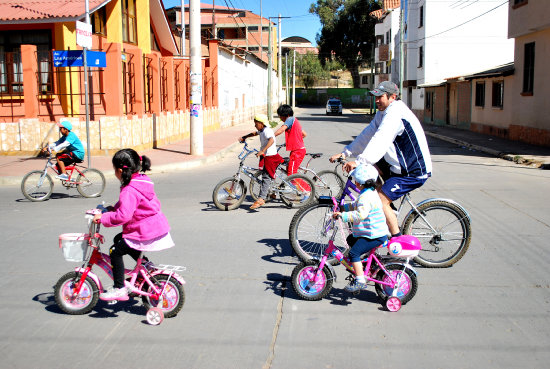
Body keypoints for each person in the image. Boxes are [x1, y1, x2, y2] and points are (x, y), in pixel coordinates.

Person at [330, 81, 432, 240]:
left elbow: (381, 139)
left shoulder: (395, 113)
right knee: (369, 177)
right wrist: (346, 153)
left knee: (379, 200)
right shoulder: (383, 113)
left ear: (393, 96)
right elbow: (367, 134)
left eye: (380, 96)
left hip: (412, 170)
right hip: (396, 164)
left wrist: (359, 161)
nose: (376, 100)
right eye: (375, 96)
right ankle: (383, 215)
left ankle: (397, 241)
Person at [93, 148, 174, 301]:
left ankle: (119, 288)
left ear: (119, 170)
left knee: (115, 251)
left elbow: (124, 215)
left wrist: (103, 218)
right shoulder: (141, 180)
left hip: (144, 231)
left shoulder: (129, 189)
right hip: (154, 227)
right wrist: (112, 209)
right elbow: (129, 205)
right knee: (120, 239)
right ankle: (145, 265)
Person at [332, 164, 388, 292]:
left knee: (353, 253)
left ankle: (360, 280)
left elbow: (360, 214)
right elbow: (355, 205)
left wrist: (343, 215)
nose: (354, 182)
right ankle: (366, 264)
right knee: (351, 239)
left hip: (374, 235)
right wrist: (343, 207)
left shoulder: (365, 197)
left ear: (360, 183)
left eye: (355, 180)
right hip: (372, 231)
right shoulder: (369, 193)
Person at [238, 114, 283, 210]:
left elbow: (271, 140)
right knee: (267, 174)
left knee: (266, 177)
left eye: (256, 123)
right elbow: (255, 133)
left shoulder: (267, 131)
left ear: (262, 124)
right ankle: (272, 193)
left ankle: (261, 198)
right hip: (266, 156)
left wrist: (263, 150)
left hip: (270, 156)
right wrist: (244, 137)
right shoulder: (262, 130)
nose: (255, 125)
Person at [274, 104, 307, 176]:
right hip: (298, 149)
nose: (280, 118)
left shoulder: (290, 119)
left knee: (292, 174)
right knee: (289, 169)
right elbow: (304, 134)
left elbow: (282, 129)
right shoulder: (295, 121)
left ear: (287, 115)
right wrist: (293, 140)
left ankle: (306, 187)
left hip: (297, 151)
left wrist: (271, 136)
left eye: (280, 116)